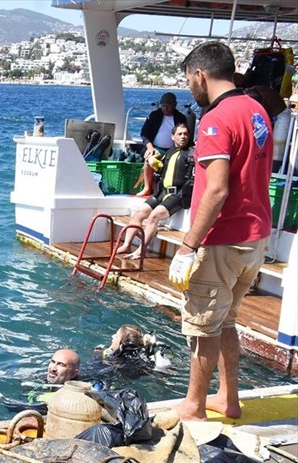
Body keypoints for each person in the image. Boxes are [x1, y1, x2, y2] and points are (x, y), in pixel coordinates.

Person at [171, 41, 273, 421]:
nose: (190, 88)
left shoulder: (216, 119)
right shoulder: (257, 110)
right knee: (227, 319)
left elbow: (216, 189)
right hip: (253, 236)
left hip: (220, 241)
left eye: (189, 80)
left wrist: (187, 246)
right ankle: (228, 397)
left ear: (200, 75)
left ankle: (194, 407)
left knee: (203, 327)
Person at [116, 123, 195, 260]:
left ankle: (141, 251)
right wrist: (152, 161)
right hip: (162, 192)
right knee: (139, 213)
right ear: (173, 136)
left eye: (186, 134)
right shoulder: (170, 152)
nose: (183, 137)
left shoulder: (192, 153)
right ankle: (127, 245)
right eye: (180, 134)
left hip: (178, 195)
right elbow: (162, 170)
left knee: (154, 216)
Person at [138, 92, 188, 196]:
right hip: (157, 148)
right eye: (163, 106)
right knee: (149, 159)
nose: (165, 108)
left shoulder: (180, 117)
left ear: (174, 105)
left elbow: (186, 134)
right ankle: (147, 188)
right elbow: (144, 133)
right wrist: (149, 147)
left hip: (174, 149)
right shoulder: (154, 116)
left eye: (167, 106)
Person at [98, 324, 171, 371]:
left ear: (121, 345)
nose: (112, 337)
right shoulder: (142, 356)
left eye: (116, 336)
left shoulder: (117, 361)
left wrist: (107, 351)